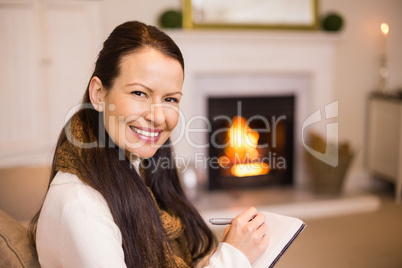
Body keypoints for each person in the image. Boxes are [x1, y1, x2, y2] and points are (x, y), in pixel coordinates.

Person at [29, 20, 270, 268]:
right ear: (99, 94)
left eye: (170, 99)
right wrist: (232, 258)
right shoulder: (80, 206)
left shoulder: (138, 169)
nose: (157, 117)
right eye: (139, 93)